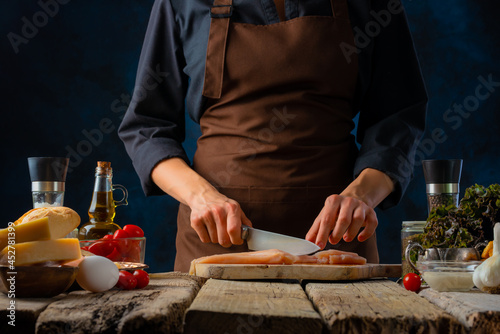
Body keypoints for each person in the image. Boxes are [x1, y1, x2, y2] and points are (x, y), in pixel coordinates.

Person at [118, 0, 427, 272]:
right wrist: (200, 196)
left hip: (336, 245)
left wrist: (361, 195)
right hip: (217, 246)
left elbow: (398, 117)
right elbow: (147, 126)